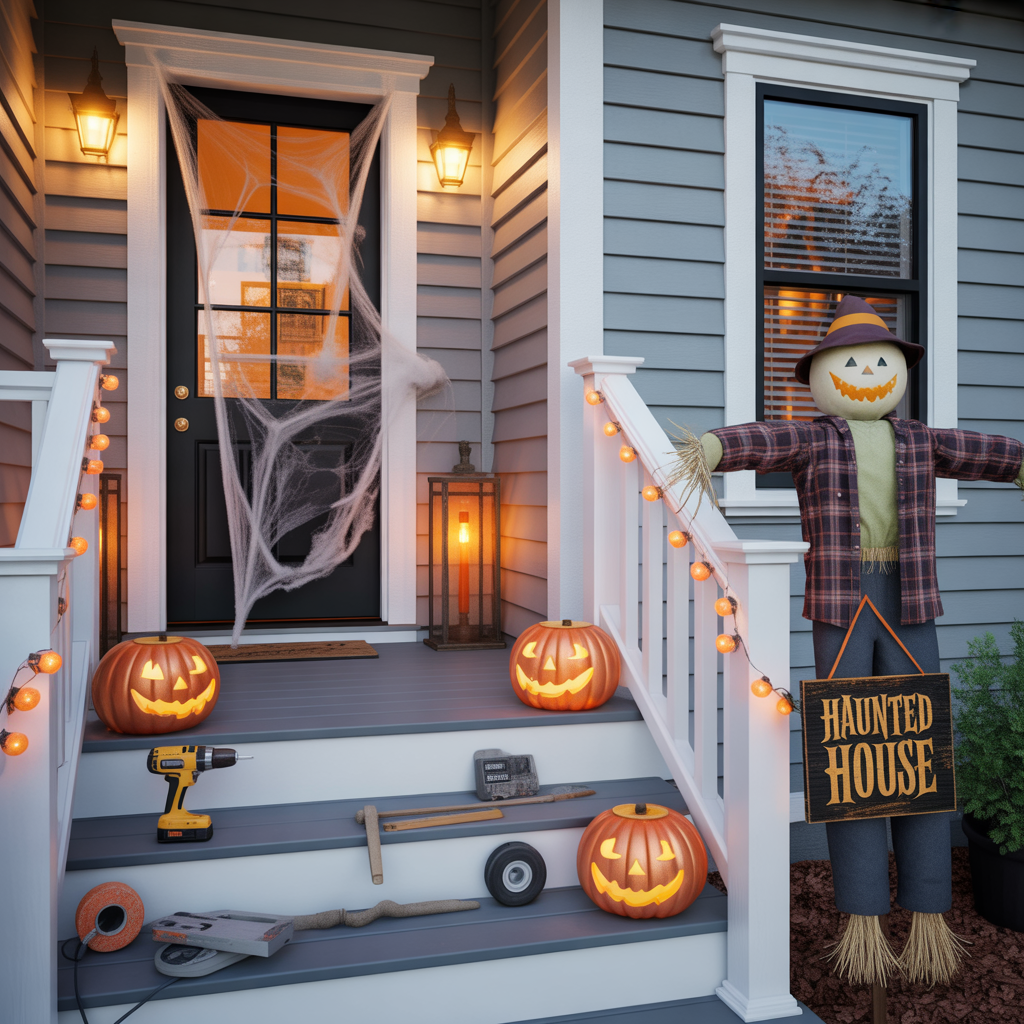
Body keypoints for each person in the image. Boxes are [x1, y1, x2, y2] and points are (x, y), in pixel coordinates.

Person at [679, 294, 1024, 987]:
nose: (867, 370)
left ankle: (928, 912)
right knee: (850, 750)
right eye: (852, 361)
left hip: (911, 599)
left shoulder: (921, 440)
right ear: (823, 374)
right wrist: (713, 446)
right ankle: (862, 916)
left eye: (878, 361)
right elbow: (766, 439)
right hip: (841, 605)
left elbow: (985, 452)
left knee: (918, 749)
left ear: (896, 370)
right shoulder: (818, 439)